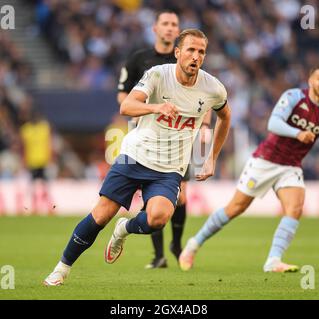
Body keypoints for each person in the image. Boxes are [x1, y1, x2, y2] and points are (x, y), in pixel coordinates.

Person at [43, 28, 231, 286]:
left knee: (158, 219)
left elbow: (225, 116)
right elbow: (126, 106)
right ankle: (61, 269)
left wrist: (211, 158)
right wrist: (155, 107)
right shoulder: (157, 75)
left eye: (201, 52)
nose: (196, 56)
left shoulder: (213, 88)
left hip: (169, 168)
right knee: (101, 215)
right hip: (135, 157)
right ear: (177, 53)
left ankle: (124, 229)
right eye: (190, 50)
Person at [179, 67, 319, 273]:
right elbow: (274, 123)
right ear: (310, 80)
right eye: (318, 78)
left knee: (295, 209)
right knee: (235, 208)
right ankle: (193, 244)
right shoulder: (294, 97)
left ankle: (273, 260)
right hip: (266, 160)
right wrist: (298, 133)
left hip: (291, 166)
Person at [117, 10, 212, 268]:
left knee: (181, 195)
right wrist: (141, 114)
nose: (170, 28)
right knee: (152, 194)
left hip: (179, 136)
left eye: (174, 25)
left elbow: (204, 100)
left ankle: (176, 244)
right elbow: (123, 96)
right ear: (155, 29)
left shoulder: (189, 59)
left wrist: (205, 127)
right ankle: (158, 254)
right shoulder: (140, 59)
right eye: (165, 24)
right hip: (146, 134)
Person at [20, 108, 53, 214]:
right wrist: (24, 160)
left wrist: (50, 158)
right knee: (34, 185)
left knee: (45, 185)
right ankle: (34, 206)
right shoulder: (26, 129)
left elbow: (49, 144)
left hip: (42, 161)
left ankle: (48, 206)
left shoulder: (43, 128)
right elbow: (23, 147)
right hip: (32, 161)